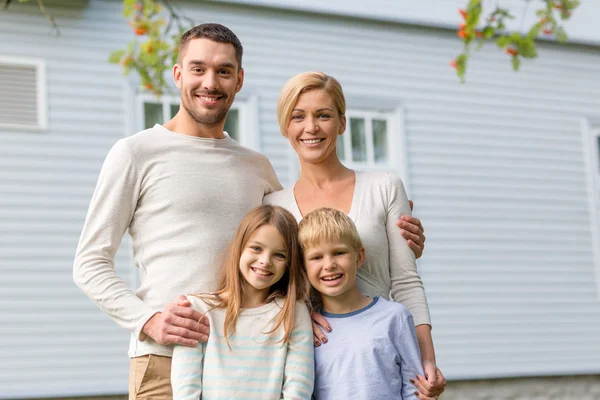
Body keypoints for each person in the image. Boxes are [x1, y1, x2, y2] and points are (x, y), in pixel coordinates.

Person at [73, 23, 425, 398]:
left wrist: (386, 236)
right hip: (168, 356)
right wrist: (149, 320)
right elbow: (89, 264)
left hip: (253, 366)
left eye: (223, 71)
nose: (210, 82)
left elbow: (297, 243)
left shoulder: (256, 166)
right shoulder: (135, 154)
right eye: (198, 69)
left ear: (238, 80)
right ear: (178, 74)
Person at [264, 71, 446, 398]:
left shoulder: (385, 187)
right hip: (309, 362)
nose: (311, 128)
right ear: (284, 127)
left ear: (342, 122)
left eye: (323, 115)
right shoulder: (274, 206)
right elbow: (270, 290)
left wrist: (426, 360)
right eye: (298, 117)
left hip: (377, 359)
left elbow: (405, 280)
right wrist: (300, 314)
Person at [171, 205, 313, 399]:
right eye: (256, 248)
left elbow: (299, 387)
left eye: (279, 255)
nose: (265, 261)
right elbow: (186, 390)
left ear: (289, 264)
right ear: (239, 248)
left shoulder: (293, 312)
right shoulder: (198, 309)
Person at [299, 207, 423, 400]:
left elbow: (414, 389)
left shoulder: (394, 317)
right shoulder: (307, 330)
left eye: (339, 252)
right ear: (303, 267)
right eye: (316, 257)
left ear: (359, 256)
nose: (329, 264)